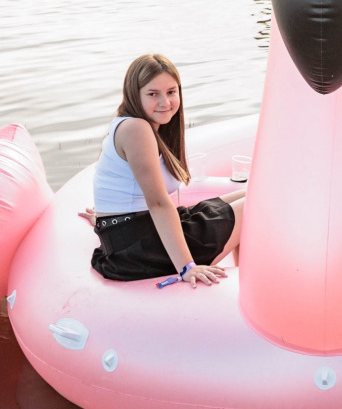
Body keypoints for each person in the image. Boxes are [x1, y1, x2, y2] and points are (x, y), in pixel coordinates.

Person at [88, 55, 246, 285]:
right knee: (255, 207)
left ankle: (240, 276)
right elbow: (158, 202)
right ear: (135, 94)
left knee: (249, 194)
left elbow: (118, 183)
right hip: (138, 248)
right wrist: (186, 267)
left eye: (171, 92)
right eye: (153, 94)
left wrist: (102, 215)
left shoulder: (139, 126)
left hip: (135, 234)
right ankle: (245, 287)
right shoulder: (135, 128)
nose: (165, 102)